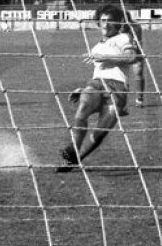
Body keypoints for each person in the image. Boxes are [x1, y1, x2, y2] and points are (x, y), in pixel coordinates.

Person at [56, 9, 143, 172]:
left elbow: (132, 57)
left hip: (117, 89)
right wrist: (82, 89)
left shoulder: (123, 38)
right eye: (103, 20)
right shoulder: (96, 47)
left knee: (99, 134)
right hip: (97, 84)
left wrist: (106, 58)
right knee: (81, 112)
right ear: (98, 23)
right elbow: (99, 72)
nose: (106, 23)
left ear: (118, 24)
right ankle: (73, 148)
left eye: (110, 20)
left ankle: (75, 160)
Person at [92, 4, 146, 113]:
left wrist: (132, 51)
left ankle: (139, 99)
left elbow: (137, 42)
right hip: (119, 51)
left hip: (135, 51)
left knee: (138, 72)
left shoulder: (135, 27)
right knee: (120, 75)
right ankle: (119, 102)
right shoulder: (116, 27)